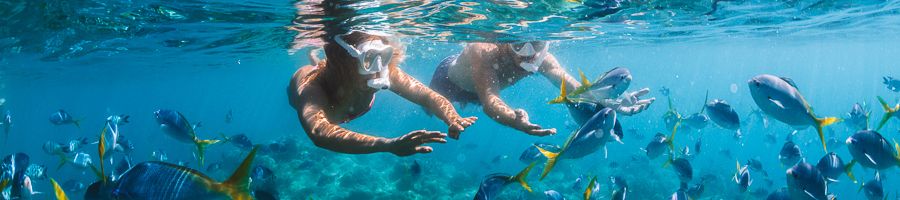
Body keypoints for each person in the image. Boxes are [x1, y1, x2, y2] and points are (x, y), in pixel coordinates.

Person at [288, 30, 477, 156]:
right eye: (368, 58)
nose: (379, 71)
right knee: (313, 69)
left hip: (338, 80)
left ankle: (316, 58)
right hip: (305, 80)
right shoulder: (312, 90)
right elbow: (319, 133)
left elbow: (427, 95)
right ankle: (313, 59)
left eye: (384, 56)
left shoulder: (384, 70)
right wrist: (388, 144)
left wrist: (451, 117)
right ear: (344, 62)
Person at [429, 41, 653, 136]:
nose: (529, 53)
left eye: (537, 44)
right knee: (429, 109)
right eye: (519, 45)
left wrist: (609, 98)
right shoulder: (483, 52)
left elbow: (572, 87)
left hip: (475, 90)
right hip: (448, 83)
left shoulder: (543, 59)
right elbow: (489, 99)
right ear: (506, 41)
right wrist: (512, 119)